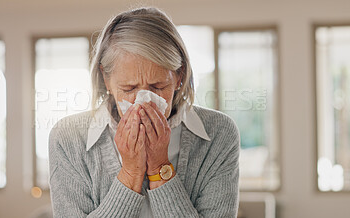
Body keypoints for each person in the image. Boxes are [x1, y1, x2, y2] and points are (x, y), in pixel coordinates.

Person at [48, 6, 240, 218]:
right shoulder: (67, 138)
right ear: (106, 80)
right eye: (128, 88)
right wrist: (130, 173)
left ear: (179, 75)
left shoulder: (219, 133)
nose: (143, 102)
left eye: (158, 87)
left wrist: (160, 167)